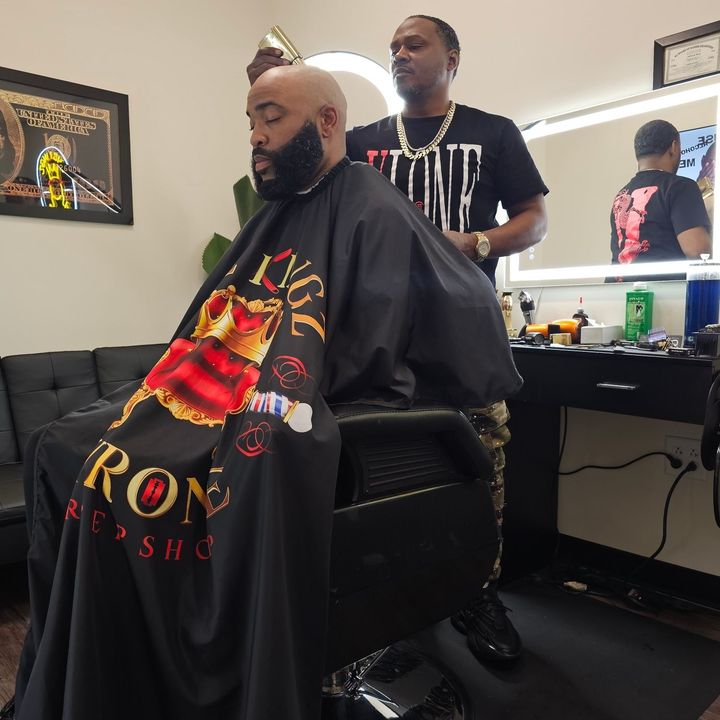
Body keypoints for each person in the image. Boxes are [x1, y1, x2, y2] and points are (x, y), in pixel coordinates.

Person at [14, 65, 521, 720]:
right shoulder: (271, 220)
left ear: (327, 122)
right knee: (60, 444)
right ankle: (103, 668)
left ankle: (217, 677)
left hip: (290, 401)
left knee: (235, 457)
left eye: (272, 117)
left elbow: (383, 341)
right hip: (225, 389)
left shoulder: (372, 204)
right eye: (250, 122)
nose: (256, 135)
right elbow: (208, 329)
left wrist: (270, 388)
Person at [247, 14, 549, 666]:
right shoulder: (359, 139)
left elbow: (534, 218)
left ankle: (477, 589)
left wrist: (475, 242)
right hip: (375, 326)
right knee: (382, 461)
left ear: (453, 56)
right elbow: (300, 166)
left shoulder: (491, 134)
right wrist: (276, 95)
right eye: (393, 48)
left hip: (461, 321)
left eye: (415, 44)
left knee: (477, 456)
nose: (400, 55)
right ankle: (390, 592)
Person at [610, 119, 711, 266]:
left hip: (619, 287)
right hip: (665, 288)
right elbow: (698, 252)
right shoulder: (681, 187)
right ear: (674, 147)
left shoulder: (621, 195)